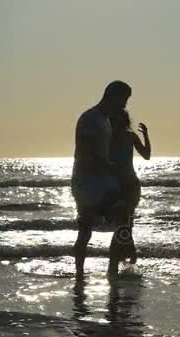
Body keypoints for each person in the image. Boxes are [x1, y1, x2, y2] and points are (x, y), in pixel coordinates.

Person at [71, 80, 132, 276]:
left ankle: (112, 267)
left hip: (104, 181)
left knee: (123, 216)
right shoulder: (90, 119)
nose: (124, 106)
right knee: (85, 228)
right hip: (87, 183)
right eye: (123, 100)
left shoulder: (106, 120)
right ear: (111, 96)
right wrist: (113, 170)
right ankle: (80, 272)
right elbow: (88, 153)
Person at [107, 109, 151, 274]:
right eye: (113, 120)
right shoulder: (107, 139)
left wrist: (146, 135)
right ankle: (125, 257)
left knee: (126, 224)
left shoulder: (130, 137)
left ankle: (120, 262)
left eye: (117, 120)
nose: (115, 123)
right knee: (122, 224)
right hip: (114, 187)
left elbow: (146, 155)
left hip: (131, 185)